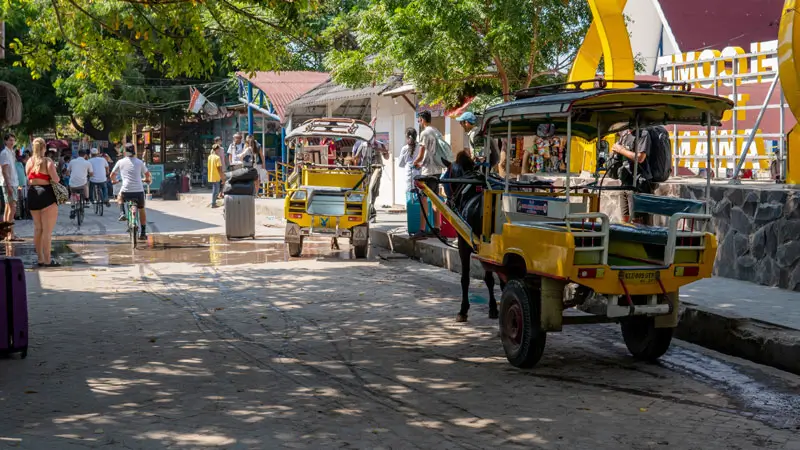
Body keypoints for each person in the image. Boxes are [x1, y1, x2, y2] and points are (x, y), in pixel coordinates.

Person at [25, 138, 61, 267]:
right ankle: (47, 260)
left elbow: (28, 177)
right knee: (47, 231)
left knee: (38, 229)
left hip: (33, 194)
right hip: (46, 194)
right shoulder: (48, 162)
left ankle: (40, 259)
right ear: (44, 147)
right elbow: (56, 179)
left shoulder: (29, 162)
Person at [411, 111, 444, 239]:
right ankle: (437, 228)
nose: (419, 122)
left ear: (422, 119)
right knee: (436, 199)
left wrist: (416, 162)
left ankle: (422, 230)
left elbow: (421, 154)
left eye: (419, 120)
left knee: (423, 199)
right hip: (437, 170)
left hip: (428, 171)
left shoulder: (424, 133)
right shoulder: (437, 132)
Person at [610, 128, 653, 224]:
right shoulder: (624, 134)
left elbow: (640, 158)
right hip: (624, 182)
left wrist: (621, 150)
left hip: (638, 183)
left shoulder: (643, 134)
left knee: (638, 220)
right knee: (624, 220)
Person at [111, 143, 151, 239]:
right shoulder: (139, 162)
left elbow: (112, 175)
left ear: (124, 152)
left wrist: (114, 181)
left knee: (119, 196)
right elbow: (147, 174)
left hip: (126, 190)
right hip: (139, 191)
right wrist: (147, 180)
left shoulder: (120, 162)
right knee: (141, 210)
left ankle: (122, 213)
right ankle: (143, 233)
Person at [1, 133, 22, 241]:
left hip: (13, 182)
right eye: (10, 140)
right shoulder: (4, 153)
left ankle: (6, 234)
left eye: (13, 140)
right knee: (12, 208)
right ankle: (10, 234)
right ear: (5, 141)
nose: (12, 142)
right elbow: (4, 170)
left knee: (8, 208)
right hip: (8, 183)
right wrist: (8, 184)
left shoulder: (11, 152)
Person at [67, 149, 93, 219]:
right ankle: (87, 200)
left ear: (78, 154)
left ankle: (72, 206)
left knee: (73, 193)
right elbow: (91, 173)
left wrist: (70, 175)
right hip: (82, 184)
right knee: (86, 185)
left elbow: (67, 172)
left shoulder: (72, 161)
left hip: (72, 184)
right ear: (85, 155)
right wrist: (88, 174)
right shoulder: (87, 163)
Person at [398, 128, 420, 194]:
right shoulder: (420, 147)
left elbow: (400, 164)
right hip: (419, 176)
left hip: (409, 177)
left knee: (410, 199)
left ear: (407, 137)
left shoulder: (405, 148)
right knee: (419, 199)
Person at [207, 144, 225, 208]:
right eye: (219, 149)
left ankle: (213, 203)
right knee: (216, 191)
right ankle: (213, 203)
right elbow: (219, 169)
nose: (219, 151)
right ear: (217, 149)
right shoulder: (217, 158)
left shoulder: (210, 157)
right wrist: (223, 179)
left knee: (214, 190)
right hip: (216, 176)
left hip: (211, 175)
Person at [15, 152, 28, 220]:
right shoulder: (17, 165)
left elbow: (23, 175)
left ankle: (22, 214)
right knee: (19, 199)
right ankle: (18, 215)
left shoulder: (20, 164)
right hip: (18, 185)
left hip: (22, 184)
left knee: (21, 199)